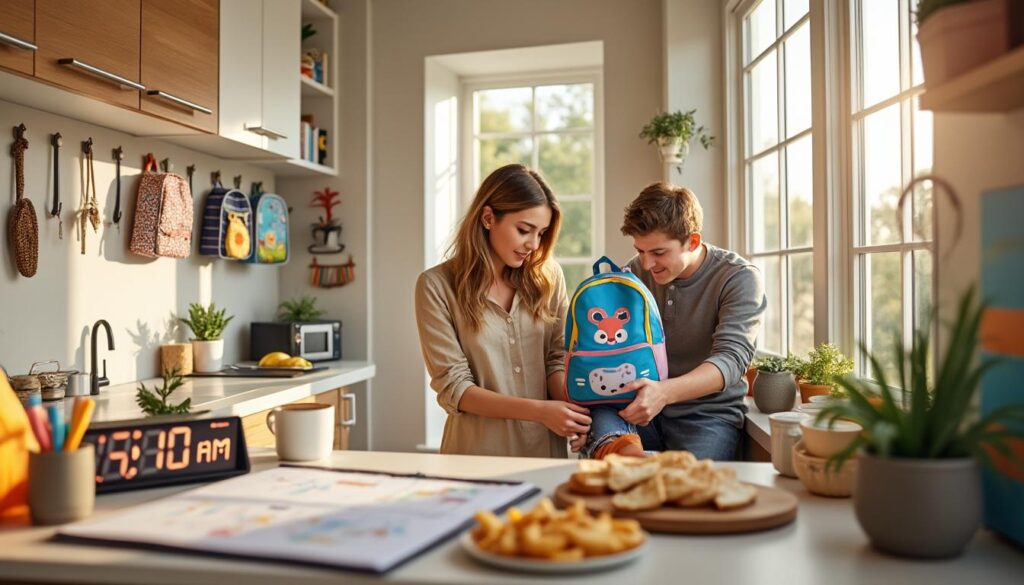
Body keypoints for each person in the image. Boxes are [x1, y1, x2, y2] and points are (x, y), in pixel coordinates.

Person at [415, 164, 591, 457]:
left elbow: (557, 360)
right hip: (475, 456)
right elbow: (455, 388)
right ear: (488, 217)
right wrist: (541, 412)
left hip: (544, 454)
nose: (533, 245)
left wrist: (577, 415)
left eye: (542, 233)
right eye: (524, 230)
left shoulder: (549, 277)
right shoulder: (436, 286)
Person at [583, 182, 766, 461]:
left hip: (705, 416)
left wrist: (664, 393)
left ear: (692, 241)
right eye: (640, 251)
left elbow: (730, 360)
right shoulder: (634, 271)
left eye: (658, 253)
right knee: (605, 426)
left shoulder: (738, 278)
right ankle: (628, 459)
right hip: (637, 410)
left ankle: (628, 461)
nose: (645, 264)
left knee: (690, 490)